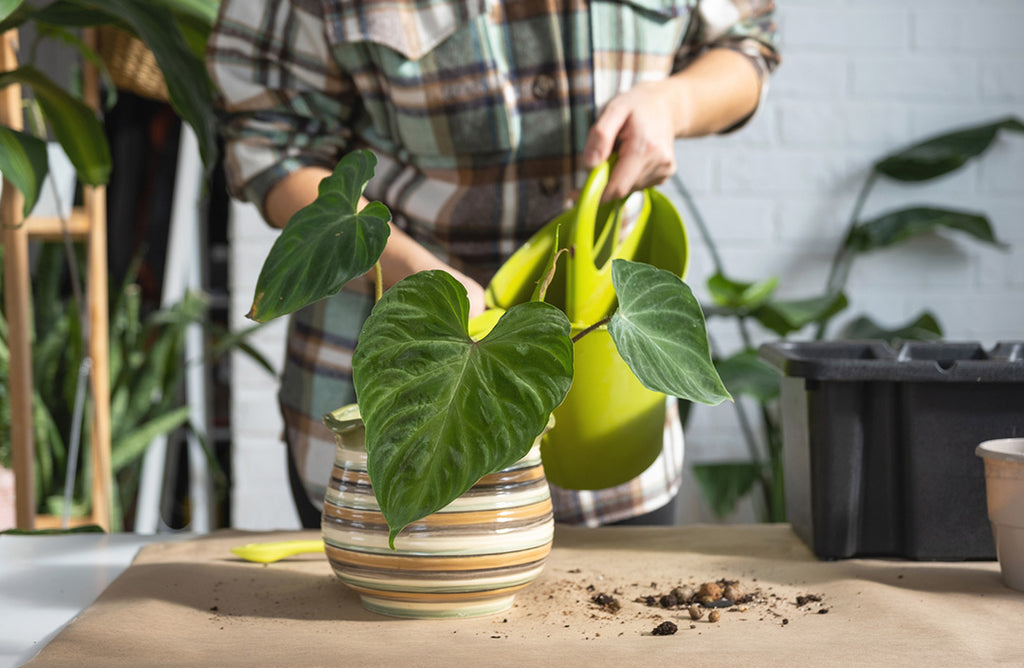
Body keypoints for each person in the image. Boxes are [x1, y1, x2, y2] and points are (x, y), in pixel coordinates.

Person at [207, 0, 780, 528]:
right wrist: (412, 272)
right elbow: (269, 144)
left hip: (607, 411)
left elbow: (748, 43)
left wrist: (671, 103)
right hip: (401, 404)